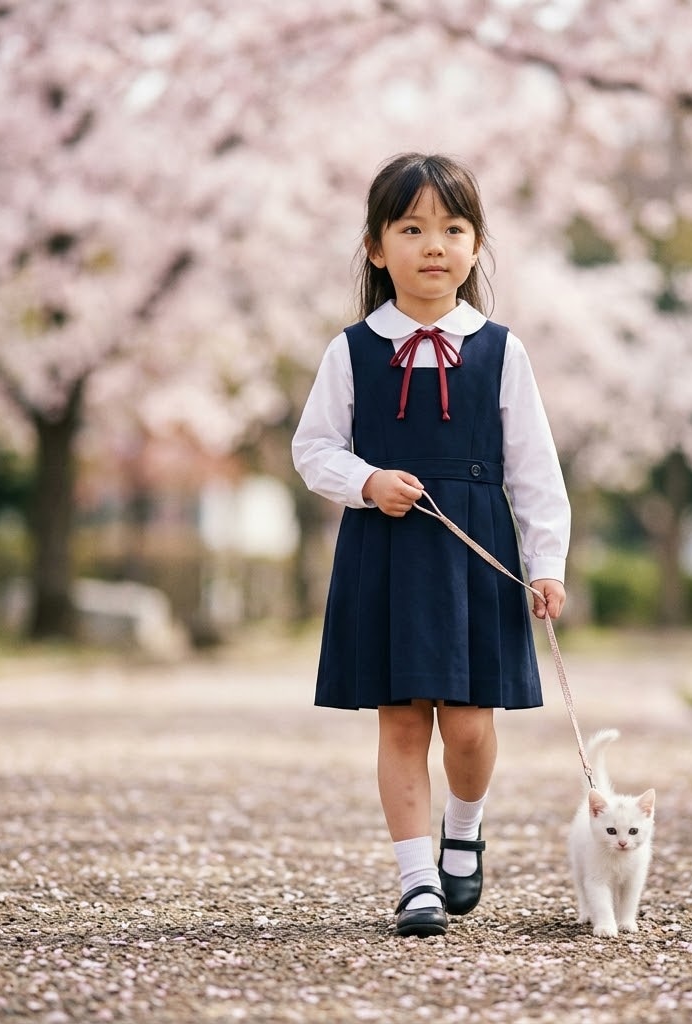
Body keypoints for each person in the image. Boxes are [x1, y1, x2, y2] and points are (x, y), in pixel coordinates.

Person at [292, 153, 570, 938]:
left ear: (476, 246)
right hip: (387, 549)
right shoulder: (352, 350)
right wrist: (367, 480)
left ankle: (463, 828)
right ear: (378, 249)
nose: (433, 244)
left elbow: (535, 470)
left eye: (452, 228)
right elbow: (313, 449)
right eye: (411, 228)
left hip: (475, 550)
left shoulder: (499, 352)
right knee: (403, 721)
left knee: (473, 724)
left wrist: (545, 565)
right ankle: (416, 881)